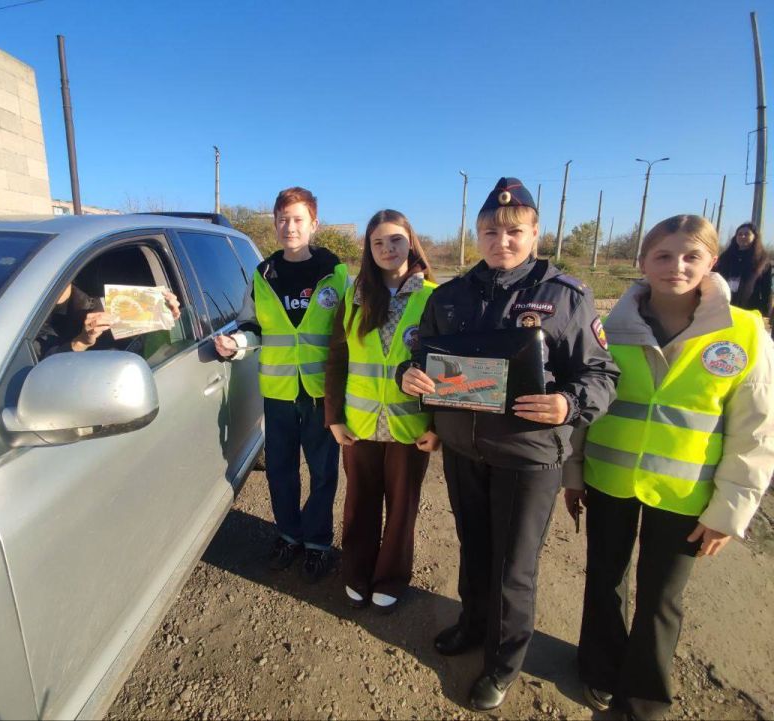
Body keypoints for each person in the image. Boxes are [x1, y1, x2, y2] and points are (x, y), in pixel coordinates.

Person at [398, 177, 619, 711]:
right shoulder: (450, 296)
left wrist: (568, 403)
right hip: (463, 449)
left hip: (528, 456)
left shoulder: (565, 296)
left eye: (514, 231)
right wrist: (408, 375)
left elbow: (601, 374)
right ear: (477, 235)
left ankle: (502, 662)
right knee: (473, 548)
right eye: (491, 232)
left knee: (513, 568)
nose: (502, 241)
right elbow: (424, 357)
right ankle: (472, 624)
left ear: (535, 233)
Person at [563, 214, 774, 720]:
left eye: (691, 256)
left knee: (661, 598)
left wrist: (729, 511)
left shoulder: (744, 331)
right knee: (605, 580)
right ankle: (599, 669)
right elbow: (587, 403)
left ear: (712, 262)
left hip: (687, 493)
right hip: (609, 479)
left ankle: (644, 697)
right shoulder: (608, 328)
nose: (676, 266)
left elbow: (756, 431)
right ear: (643, 262)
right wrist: (573, 474)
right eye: (663, 255)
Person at [214, 187, 348, 581]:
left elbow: (351, 329)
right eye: (283, 219)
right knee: (280, 470)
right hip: (278, 393)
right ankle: (289, 535)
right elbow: (251, 325)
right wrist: (236, 343)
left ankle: (318, 544)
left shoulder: (336, 273)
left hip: (321, 392)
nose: (290, 227)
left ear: (313, 224)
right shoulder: (263, 274)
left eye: (298, 219)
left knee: (323, 473)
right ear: (275, 224)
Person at [324, 209, 441, 614]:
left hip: (411, 426)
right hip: (359, 424)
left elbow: (448, 367)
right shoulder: (354, 297)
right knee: (359, 503)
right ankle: (356, 571)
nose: (387, 248)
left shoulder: (434, 298)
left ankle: (390, 577)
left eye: (395, 240)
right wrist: (334, 417)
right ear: (368, 249)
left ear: (411, 242)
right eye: (378, 242)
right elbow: (337, 359)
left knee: (402, 506)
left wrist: (439, 426)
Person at [33, 283, 180, 359]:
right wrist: (81, 342)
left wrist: (164, 316)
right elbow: (41, 371)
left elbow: (143, 350)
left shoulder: (103, 309)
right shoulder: (28, 319)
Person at [714, 222, 772, 316]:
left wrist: (766, 312)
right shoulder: (726, 257)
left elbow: (766, 290)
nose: (742, 236)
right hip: (723, 308)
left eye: (747, 234)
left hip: (748, 311)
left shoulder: (762, 260)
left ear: (755, 237)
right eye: (740, 234)